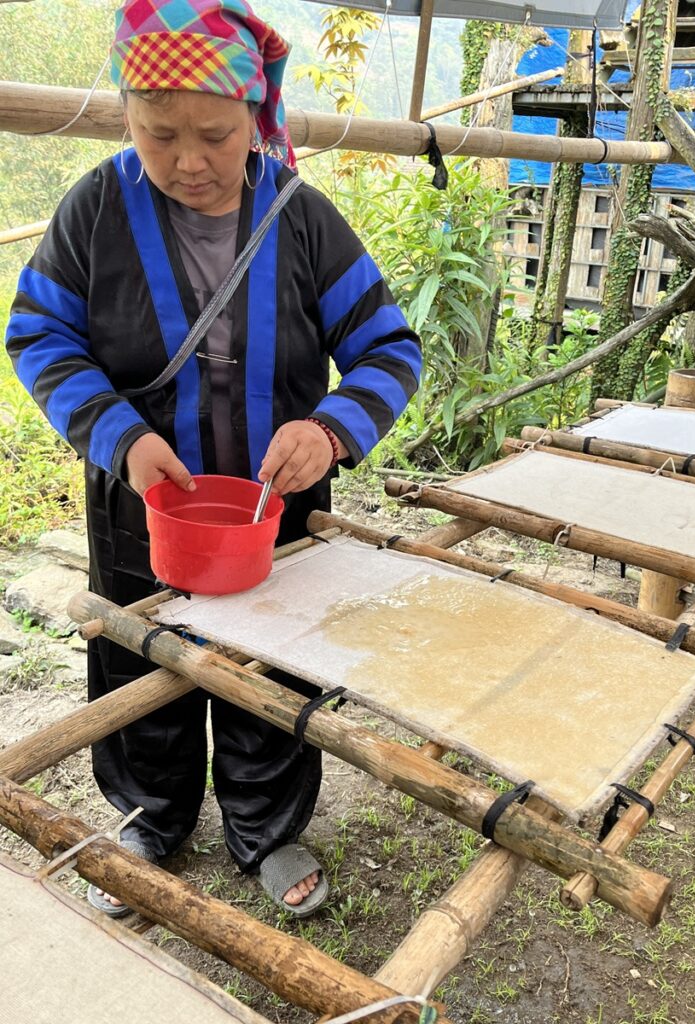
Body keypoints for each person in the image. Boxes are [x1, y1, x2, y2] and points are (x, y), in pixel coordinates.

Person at [4, 0, 420, 918]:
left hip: (281, 510)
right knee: (138, 656)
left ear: (257, 116)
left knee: (272, 666)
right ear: (126, 117)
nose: (188, 160)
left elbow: (391, 348)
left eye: (216, 135)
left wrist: (331, 428)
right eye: (160, 134)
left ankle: (266, 826)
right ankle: (152, 820)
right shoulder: (94, 211)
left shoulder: (303, 219)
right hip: (141, 504)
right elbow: (37, 333)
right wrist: (121, 436)